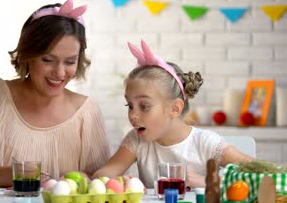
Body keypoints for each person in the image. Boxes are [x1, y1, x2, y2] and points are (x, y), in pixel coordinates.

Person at [0, 0, 110, 187]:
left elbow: (101, 182)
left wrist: (86, 180)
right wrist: (20, 174)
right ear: (28, 56)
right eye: (48, 60)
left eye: (70, 62)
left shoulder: (87, 111)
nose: (60, 73)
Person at [92, 40, 252, 189]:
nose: (133, 115)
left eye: (144, 106)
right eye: (130, 105)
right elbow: (102, 176)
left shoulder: (205, 143)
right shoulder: (136, 140)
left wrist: (205, 181)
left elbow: (266, 176)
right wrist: (120, 182)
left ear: (175, 108)